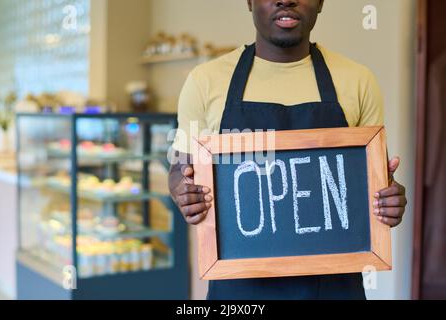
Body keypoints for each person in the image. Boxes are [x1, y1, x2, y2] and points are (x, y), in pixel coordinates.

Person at [168, 0, 407, 300]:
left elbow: (373, 179)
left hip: (334, 288)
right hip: (238, 290)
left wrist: (388, 199)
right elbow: (179, 167)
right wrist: (183, 189)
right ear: (249, 2)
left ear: (320, 3)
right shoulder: (204, 82)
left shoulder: (358, 81)